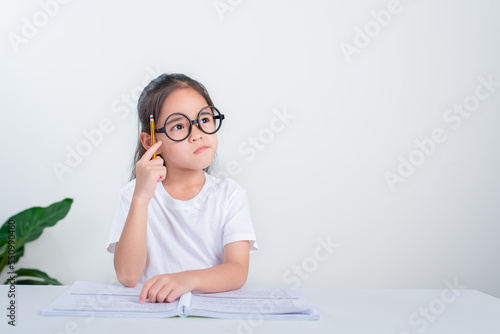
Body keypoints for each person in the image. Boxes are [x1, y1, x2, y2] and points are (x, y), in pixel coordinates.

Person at [106, 73, 258, 304]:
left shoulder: (230, 195)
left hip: (212, 315)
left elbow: (237, 271)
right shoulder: (133, 195)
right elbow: (127, 276)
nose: (197, 135)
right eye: (179, 126)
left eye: (205, 120)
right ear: (150, 142)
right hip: (152, 315)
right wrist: (141, 198)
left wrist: (186, 280)